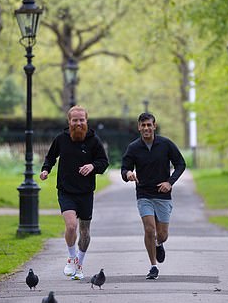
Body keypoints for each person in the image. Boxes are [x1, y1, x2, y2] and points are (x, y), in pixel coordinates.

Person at [40, 105, 109, 280]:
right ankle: (72, 258)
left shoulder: (94, 141)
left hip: (85, 192)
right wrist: (46, 170)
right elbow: (50, 157)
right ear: (69, 122)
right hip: (66, 190)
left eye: (81, 120)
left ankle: (80, 262)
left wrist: (92, 166)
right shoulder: (61, 139)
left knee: (84, 231)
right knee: (71, 226)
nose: (78, 123)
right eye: (75, 120)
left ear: (86, 121)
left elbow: (103, 162)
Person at [121, 112, 186, 280]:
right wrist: (128, 173)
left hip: (163, 195)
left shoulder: (165, 144)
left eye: (149, 125)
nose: (146, 128)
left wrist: (170, 182)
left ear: (154, 126)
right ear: (139, 127)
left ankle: (159, 243)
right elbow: (124, 168)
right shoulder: (133, 147)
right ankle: (153, 266)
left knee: (162, 234)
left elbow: (181, 163)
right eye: (143, 125)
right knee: (149, 229)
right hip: (144, 194)